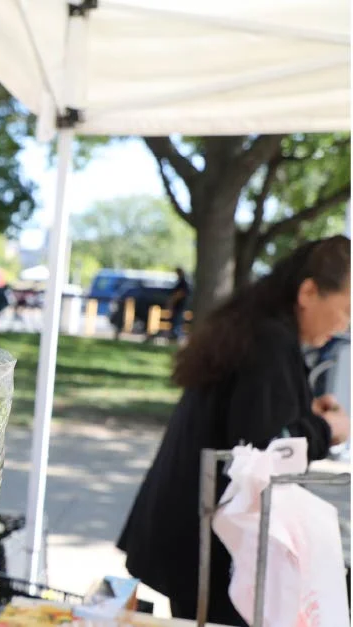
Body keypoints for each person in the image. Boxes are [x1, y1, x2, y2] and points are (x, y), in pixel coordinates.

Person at [118, 235, 351, 625]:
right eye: (346, 309)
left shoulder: (258, 327)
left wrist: (304, 412)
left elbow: (247, 417)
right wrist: (328, 430)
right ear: (309, 292)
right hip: (213, 550)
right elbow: (262, 447)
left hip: (200, 538)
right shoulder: (269, 340)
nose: (345, 325)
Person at [167, 267, 191, 339]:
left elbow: (180, 294)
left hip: (180, 306)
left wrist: (172, 301)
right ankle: (175, 336)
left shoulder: (183, 283)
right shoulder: (181, 282)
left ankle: (176, 336)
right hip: (178, 306)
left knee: (177, 322)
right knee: (176, 321)